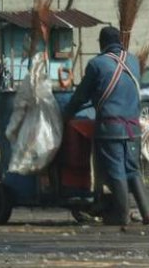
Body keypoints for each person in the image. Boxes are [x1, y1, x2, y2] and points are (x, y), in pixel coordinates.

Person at [64, 26, 149, 226]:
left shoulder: (96, 64)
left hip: (110, 128)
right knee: (132, 169)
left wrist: (66, 114)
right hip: (133, 129)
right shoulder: (134, 62)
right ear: (119, 41)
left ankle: (121, 215)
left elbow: (81, 96)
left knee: (116, 169)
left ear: (102, 43)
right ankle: (146, 212)